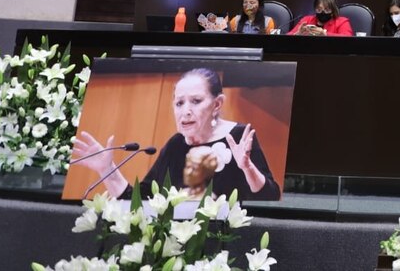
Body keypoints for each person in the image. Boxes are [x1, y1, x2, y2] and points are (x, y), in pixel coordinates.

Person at [71, 68, 281, 200]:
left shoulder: (238, 136)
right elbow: (142, 199)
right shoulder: (176, 144)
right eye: (179, 103)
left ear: (217, 104)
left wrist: (247, 167)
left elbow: (270, 196)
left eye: (196, 101)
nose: (185, 111)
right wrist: (107, 169)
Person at [288, 0, 354, 36]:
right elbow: (287, 36)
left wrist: (325, 34)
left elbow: (347, 37)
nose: (322, 12)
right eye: (319, 9)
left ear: (333, 10)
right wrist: (298, 33)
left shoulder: (342, 22)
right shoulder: (307, 20)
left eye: (327, 10)